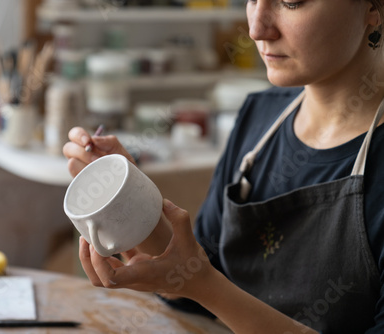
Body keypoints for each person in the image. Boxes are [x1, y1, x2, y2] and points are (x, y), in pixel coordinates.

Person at [63, 0, 384, 332]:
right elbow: (194, 288)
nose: (257, 29)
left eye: (291, 1)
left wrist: (203, 284)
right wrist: (133, 203)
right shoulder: (257, 117)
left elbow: (205, 285)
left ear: (373, 8)